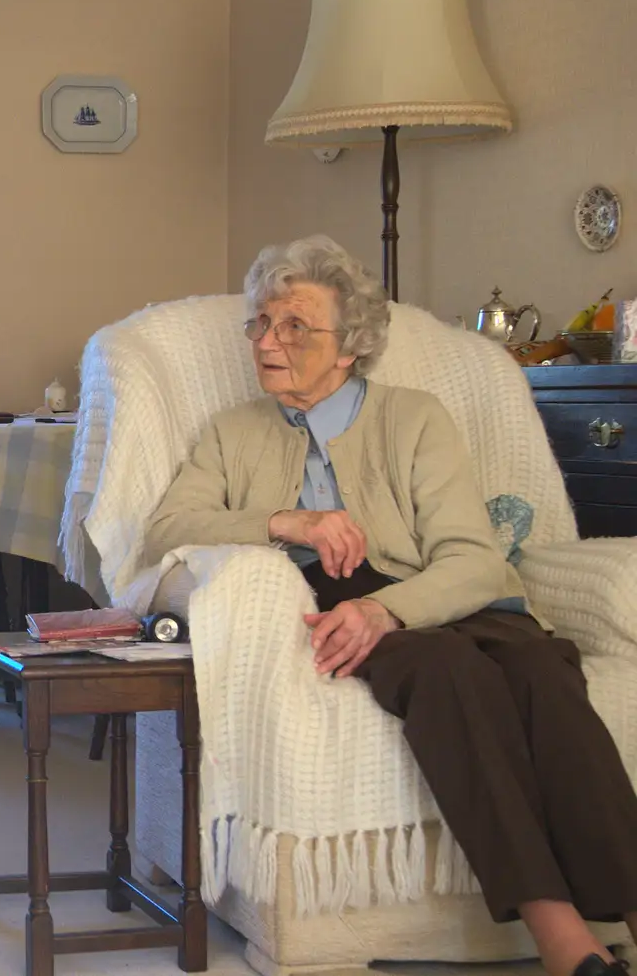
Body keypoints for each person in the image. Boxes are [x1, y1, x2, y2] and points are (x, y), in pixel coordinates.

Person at [143, 235, 637, 976]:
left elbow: (474, 558)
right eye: (261, 323)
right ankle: (562, 935)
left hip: (443, 593)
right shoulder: (233, 432)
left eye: (294, 326)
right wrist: (287, 522)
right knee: (449, 675)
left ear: (351, 347)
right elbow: (167, 529)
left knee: (543, 670)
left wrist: (390, 609)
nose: (268, 341)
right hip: (338, 604)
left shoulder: (415, 418)